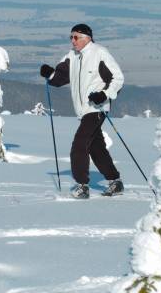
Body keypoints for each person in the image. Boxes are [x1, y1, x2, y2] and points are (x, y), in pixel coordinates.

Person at [40, 23, 124, 199]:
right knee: (96, 147)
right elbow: (60, 77)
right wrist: (49, 73)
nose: (73, 41)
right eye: (71, 37)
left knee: (79, 144)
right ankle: (115, 181)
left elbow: (118, 78)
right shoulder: (72, 56)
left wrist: (104, 94)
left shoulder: (99, 53)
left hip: (97, 108)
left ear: (87, 38)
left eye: (76, 37)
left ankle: (82, 185)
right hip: (83, 110)